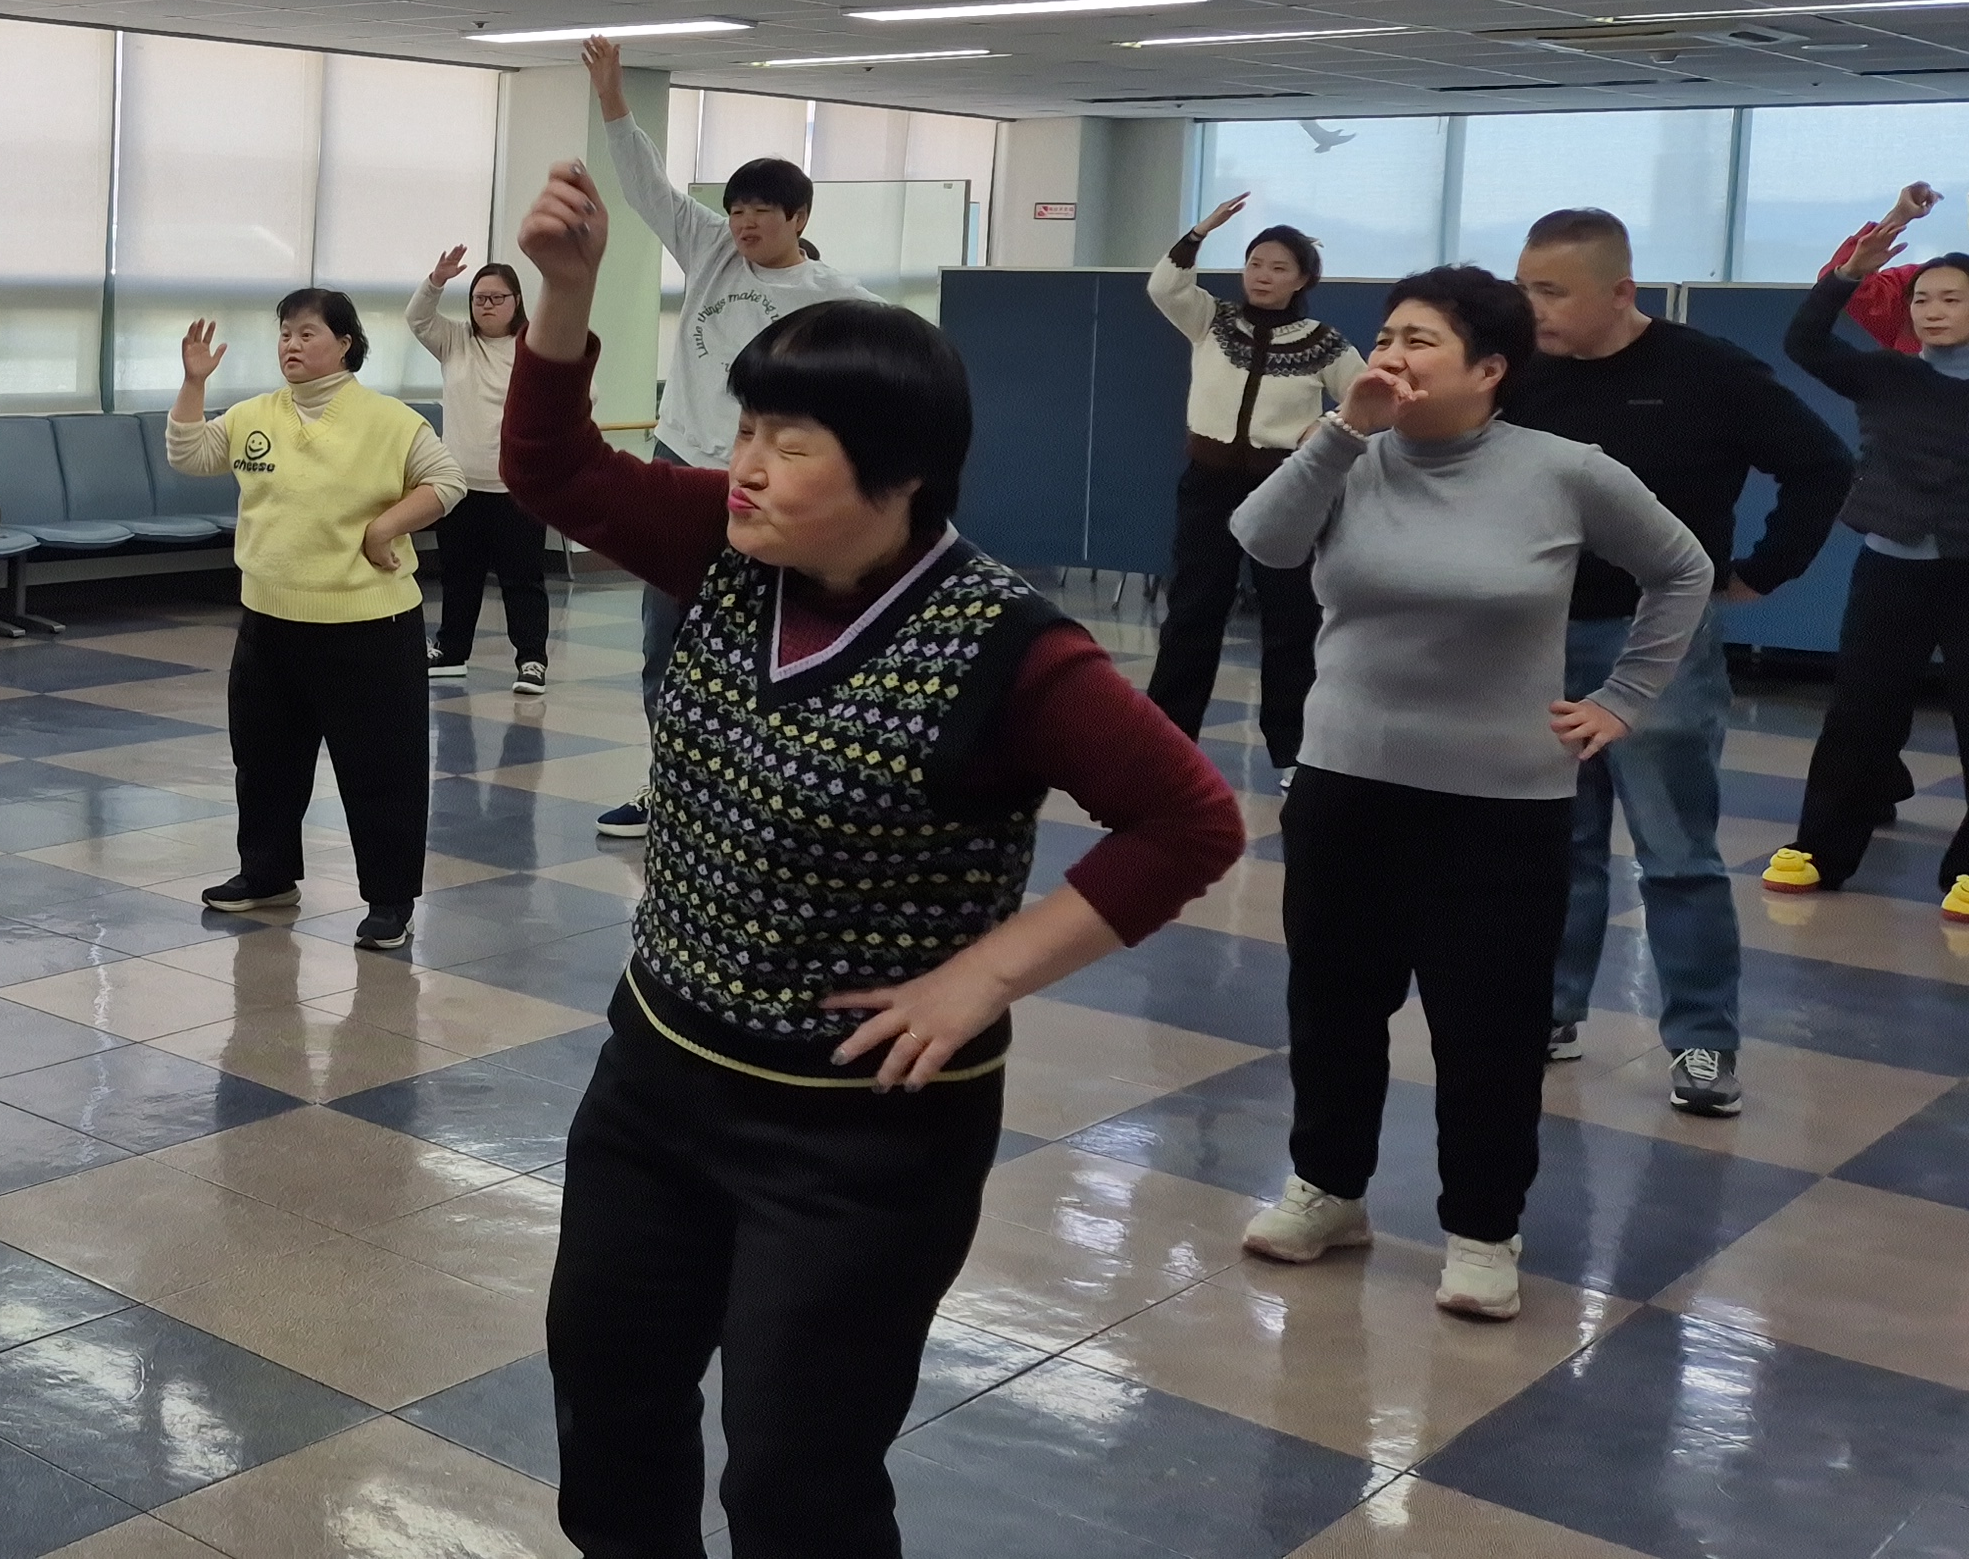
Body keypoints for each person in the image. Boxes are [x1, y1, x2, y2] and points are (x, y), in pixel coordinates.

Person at [502, 159, 1240, 1559]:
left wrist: (984, 978)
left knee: (798, 1476)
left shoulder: (1008, 646)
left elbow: (1190, 820)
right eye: (746, 430)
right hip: (657, 1080)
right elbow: (553, 471)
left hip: (857, 1138)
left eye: (789, 444)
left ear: (901, 474)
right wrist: (568, 292)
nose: (746, 466)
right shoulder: (727, 549)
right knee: (611, 1407)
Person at [1232, 267, 1710, 1323]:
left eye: (1421, 340)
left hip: (1500, 802)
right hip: (1345, 780)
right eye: (1386, 336)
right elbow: (1262, 540)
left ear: (1489, 368)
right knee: (1333, 1002)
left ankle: (1484, 1229)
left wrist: (1624, 698)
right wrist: (1340, 433)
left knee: (1488, 1023)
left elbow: (1683, 569)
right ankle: (1327, 1189)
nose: (1391, 356)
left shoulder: (1563, 470)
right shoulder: (1347, 457)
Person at [1512, 208, 1850, 1111]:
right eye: (1525, 287)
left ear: (1621, 291)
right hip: (1537, 640)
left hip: (1657, 640)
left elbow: (1822, 464)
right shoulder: (1521, 373)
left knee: (1675, 853)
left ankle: (1703, 1042)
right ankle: (1549, 1010)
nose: (1532, 308)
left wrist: (1764, 571)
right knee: (1558, 843)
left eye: (1554, 291)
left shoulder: (1707, 372)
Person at [582, 33, 869, 843]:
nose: (743, 224)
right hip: (684, 468)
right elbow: (646, 186)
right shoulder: (710, 249)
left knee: (770, 639)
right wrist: (611, 100)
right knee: (664, 638)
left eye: (761, 213)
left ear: (798, 219)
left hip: (772, 483)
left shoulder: (832, 294)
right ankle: (669, 787)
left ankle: (762, 787)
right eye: (737, 210)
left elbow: (898, 361)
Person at [166, 289, 465, 952]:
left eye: (307, 333)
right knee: (264, 761)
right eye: (284, 334)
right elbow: (190, 455)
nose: (291, 345)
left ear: (344, 344)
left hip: (370, 626)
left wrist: (384, 526)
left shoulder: (390, 420)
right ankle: (267, 874)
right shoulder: (255, 415)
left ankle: (390, 900)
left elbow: (446, 483)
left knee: (381, 770)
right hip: (269, 621)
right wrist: (193, 384)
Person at [1772, 215, 1969, 924]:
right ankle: (1820, 848)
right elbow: (1804, 342)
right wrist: (1847, 274)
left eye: (1951, 298)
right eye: (1922, 299)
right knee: (1860, 713)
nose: (1932, 311)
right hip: (1891, 568)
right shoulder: (1887, 374)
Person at [1142, 195, 1359, 784]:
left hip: (1284, 491)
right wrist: (1199, 232)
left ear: (1302, 279)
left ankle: (1294, 752)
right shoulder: (1210, 320)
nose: (1262, 275)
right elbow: (1164, 286)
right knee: (1193, 611)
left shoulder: (1323, 341)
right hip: (1208, 486)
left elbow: (1367, 399)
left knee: (1291, 620)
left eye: (1278, 267)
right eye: (1255, 263)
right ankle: (1165, 742)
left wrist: (1324, 428)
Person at [408, 247, 550, 692]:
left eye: (496, 298)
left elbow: (583, 393)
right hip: (459, 486)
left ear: (516, 301)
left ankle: (532, 659)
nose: (486, 305)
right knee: (459, 575)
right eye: (479, 298)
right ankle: (451, 651)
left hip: (519, 488)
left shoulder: (535, 346)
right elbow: (417, 319)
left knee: (522, 579)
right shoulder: (455, 340)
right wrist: (436, 280)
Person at [1818, 171, 1969, 352]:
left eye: (1951, 300)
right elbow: (1836, 285)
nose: (1934, 313)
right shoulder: (1921, 282)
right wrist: (1899, 216)